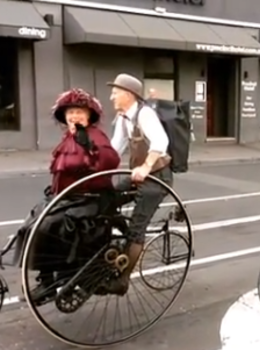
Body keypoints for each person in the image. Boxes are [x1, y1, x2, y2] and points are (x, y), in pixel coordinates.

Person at [20, 88, 121, 301]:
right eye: (70, 113)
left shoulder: (94, 135)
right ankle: (47, 279)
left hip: (89, 198)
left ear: (88, 115)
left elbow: (111, 161)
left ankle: (58, 280)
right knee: (31, 223)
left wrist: (89, 146)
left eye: (79, 112)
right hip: (65, 197)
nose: (74, 116)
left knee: (49, 226)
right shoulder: (69, 137)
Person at [106, 73, 172, 295]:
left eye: (115, 93)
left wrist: (146, 166)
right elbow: (115, 149)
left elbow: (161, 142)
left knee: (137, 230)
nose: (111, 97)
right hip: (137, 175)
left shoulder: (145, 114)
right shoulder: (124, 118)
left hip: (157, 176)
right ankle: (122, 235)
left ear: (128, 95)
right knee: (107, 195)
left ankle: (122, 281)